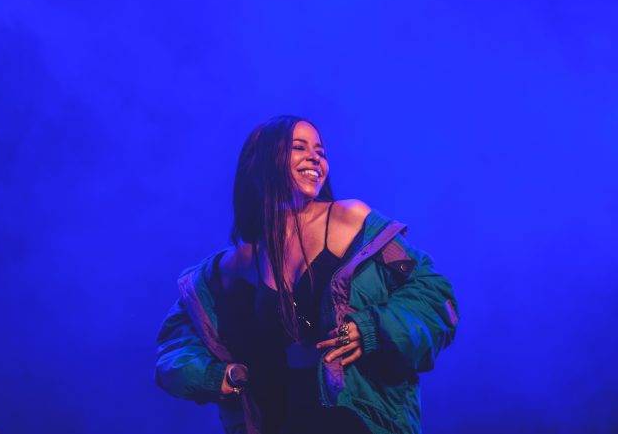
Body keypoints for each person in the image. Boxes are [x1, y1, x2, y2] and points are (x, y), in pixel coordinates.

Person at [155, 115, 459, 434]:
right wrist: (218, 377)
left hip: (356, 420)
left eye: (320, 151)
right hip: (281, 421)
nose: (315, 157)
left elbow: (434, 293)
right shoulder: (238, 263)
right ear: (261, 162)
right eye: (299, 147)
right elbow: (175, 343)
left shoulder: (350, 220)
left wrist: (371, 328)